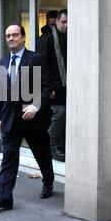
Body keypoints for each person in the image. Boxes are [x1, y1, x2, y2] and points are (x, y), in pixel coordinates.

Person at [0, 24, 55, 211]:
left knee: (42, 156)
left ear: (23, 37)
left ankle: (48, 181)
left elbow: (48, 87)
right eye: (8, 35)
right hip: (9, 122)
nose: (11, 38)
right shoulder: (1, 62)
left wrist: (36, 105)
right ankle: (4, 198)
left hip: (33, 120)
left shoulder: (36, 59)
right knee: (8, 159)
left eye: (15, 35)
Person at [45, 9, 68, 162]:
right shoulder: (47, 39)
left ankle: (60, 145)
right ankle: (51, 146)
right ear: (57, 21)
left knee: (64, 115)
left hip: (66, 85)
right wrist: (50, 87)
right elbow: (42, 65)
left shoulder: (68, 38)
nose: (66, 25)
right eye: (64, 22)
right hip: (55, 86)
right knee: (59, 114)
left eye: (68, 23)